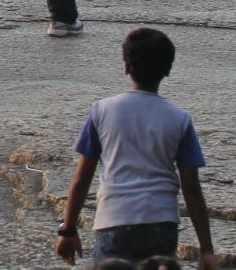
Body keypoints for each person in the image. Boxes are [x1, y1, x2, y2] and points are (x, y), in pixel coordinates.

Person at [56, 28, 219, 269]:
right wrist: (206, 249)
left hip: (114, 221)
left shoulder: (102, 111)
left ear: (126, 67)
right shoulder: (179, 119)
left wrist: (68, 230)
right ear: (168, 70)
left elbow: (82, 178)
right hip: (160, 224)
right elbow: (191, 189)